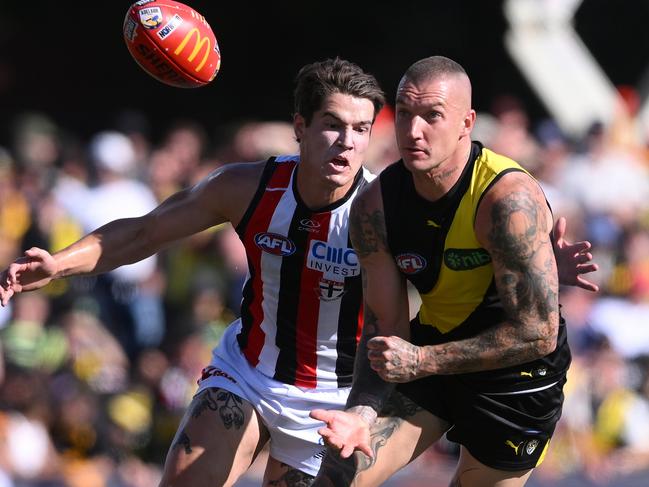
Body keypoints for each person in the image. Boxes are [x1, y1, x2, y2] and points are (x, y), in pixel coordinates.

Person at [0, 58, 595, 487]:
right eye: (333, 125)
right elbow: (144, 230)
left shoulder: (377, 209)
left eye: (362, 129)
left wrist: (534, 256)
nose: (347, 143)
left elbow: (399, 315)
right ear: (300, 127)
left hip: (333, 398)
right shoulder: (248, 187)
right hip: (250, 372)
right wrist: (60, 266)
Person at [310, 55, 593, 487]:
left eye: (432, 116)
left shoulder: (508, 201)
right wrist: (361, 413)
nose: (413, 131)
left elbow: (538, 332)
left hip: (515, 379)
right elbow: (385, 328)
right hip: (432, 356)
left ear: (467, 122)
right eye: (404, 114)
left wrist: (422, 360)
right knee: (338, 474)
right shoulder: (375, 206)